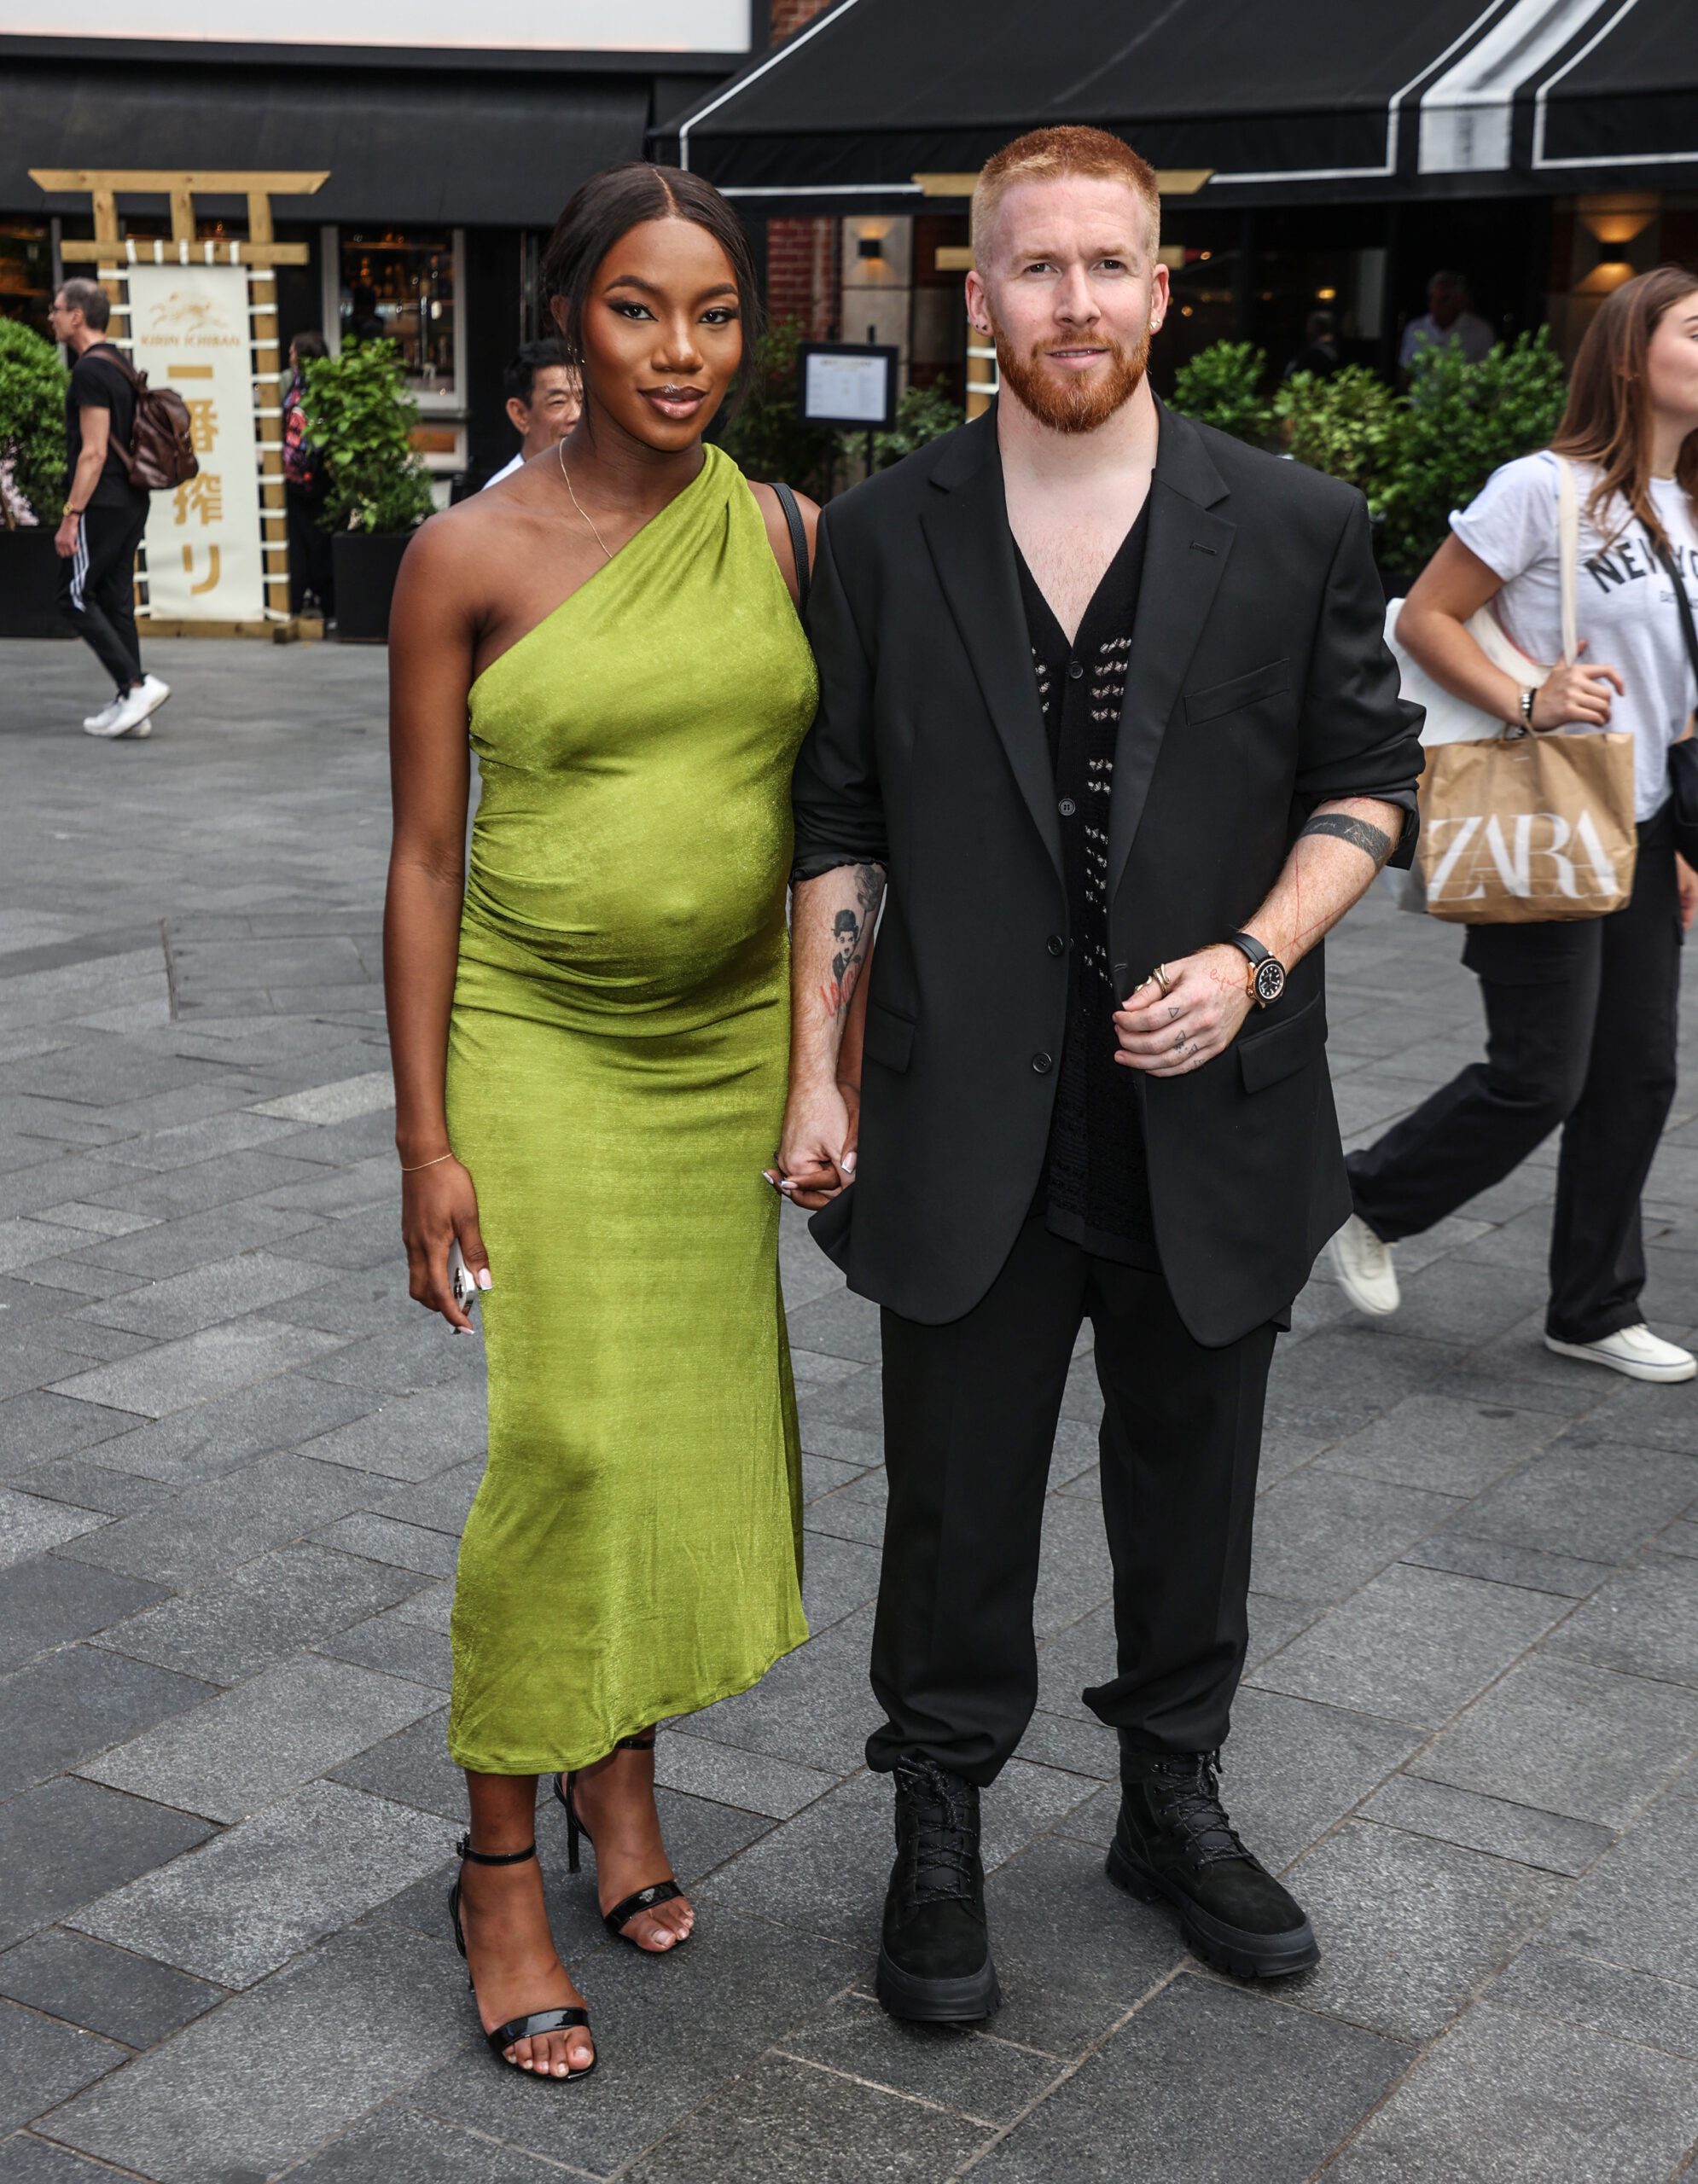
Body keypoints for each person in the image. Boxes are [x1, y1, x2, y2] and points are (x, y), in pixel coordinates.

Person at [776, 125, 1422, 2023]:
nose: (1073, 301)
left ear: (1160, 283)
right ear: (978, 298)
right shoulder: (888, 531)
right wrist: (812, 1074)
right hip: (961, 1105)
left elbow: (1365, 779)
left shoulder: (1291, 522)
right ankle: (939, 1812)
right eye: (1033, 268)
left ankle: (1167, 1795)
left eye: (1105, 265)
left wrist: (1251, 954)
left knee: (1189, 1481)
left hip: (1207, 1107)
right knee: (952, 1498)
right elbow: (837, 818)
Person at [384, 161, 827, 2082]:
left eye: (715, 311)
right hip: (537, 1045)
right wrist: (423, 1141)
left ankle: (619, 1791)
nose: (680, 349)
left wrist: (833, 1056)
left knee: (668, 1438)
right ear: (570, 316)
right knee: (563, 1438)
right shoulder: (463, 556)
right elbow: (417, 860)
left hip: (725, 1050)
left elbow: (835, 830)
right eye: (640, 307)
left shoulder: (794, 535)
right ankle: (499, 1857)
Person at [1334, 265, 1698, 1385]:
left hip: (1636, 826)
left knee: (1635, 1077)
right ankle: (1361, 1199)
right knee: (1539, 1073)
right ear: (1631, 353)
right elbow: (1427, 617)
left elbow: (1672, 692)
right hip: (1541, 811)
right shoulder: (1538, 488)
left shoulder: (1685, 507)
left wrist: (1682, 841)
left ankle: (1590, 1306)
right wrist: (1530, 694)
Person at [46, 279, 169, 740]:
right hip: (130, 500)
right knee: (116, 597)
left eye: (56, 310)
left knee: (72, 595)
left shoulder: (90, 372)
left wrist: (71, 515)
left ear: (77, 315)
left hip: (102, 501)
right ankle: (130, 703)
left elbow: (93, 452)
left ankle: (136, 686)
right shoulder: (119, 362)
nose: (51, 318)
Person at [281, 332, 335, 620]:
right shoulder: (327, 389)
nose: (289, 356)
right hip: (318, 477)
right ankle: (327, 605)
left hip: (300, 477)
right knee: (317, 542)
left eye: (292, 352)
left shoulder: (299, 390)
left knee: (301, 543)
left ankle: (296, 603)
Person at [483, 338, 583, 489]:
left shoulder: (605, 486)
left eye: (583, 400)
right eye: (558, 402)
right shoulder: (500, 498)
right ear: (520, 414)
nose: (576, 415)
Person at [1399, 271, 1494, 375]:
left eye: (1443, 300)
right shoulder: (1415, 329)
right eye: (1432, 298)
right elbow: (1405, 371)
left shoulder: (1481, 331)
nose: (1436, 305)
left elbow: (1487, 374)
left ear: (1458, 300)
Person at [1284, 308, 1341, 380]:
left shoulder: (1319, 353)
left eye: (1309, 324)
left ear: (1317, 326)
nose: (1307, 329)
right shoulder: (1320, 346)